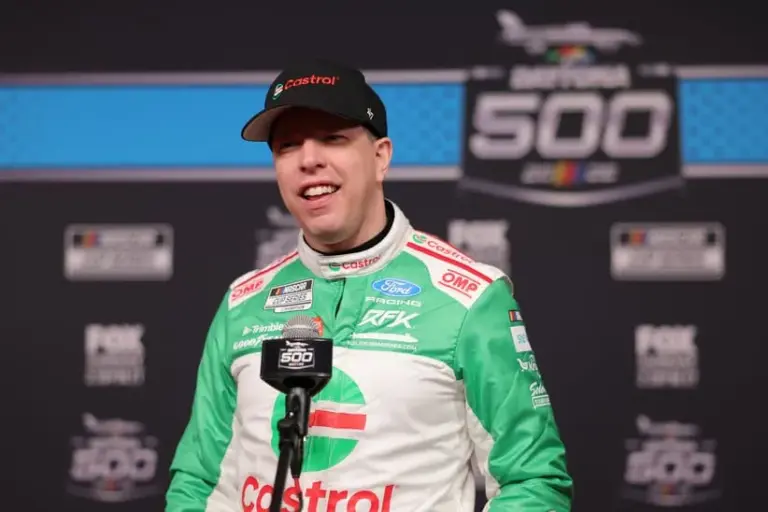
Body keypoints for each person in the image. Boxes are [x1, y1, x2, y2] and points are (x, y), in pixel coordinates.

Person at [165, 59, 574, 512]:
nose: (309, 159)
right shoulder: (245, 301)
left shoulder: (470, 297)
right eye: (287, 146)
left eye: (333, 139)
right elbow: (200, 483)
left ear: (381, 157)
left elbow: (532, 481)